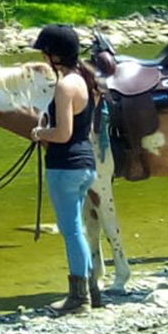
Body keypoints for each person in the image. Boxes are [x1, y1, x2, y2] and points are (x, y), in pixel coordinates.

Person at [28, 23, 102, 313]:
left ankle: (78, 297)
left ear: (53, 55)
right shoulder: (82, 80)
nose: (44, 58)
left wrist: (39, 133)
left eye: (45, 53)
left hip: (65, 166)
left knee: (71, 232)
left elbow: (62, 134)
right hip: (85, 165)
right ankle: (92, 290)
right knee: (78, 230)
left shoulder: (64, 85)